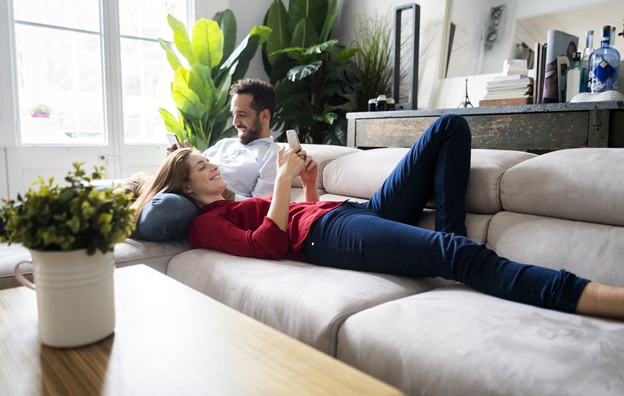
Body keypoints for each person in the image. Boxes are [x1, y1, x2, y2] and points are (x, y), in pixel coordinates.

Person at [137, 114, 624, 320]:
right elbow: (268, 245)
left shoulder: (229, 201)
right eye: (203, 166)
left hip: (344, 213)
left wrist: (307, 182)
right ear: (184, 187)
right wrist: (283, 183)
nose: (213, 165)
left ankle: (450, 249)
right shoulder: (203, 224)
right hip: (330, 237)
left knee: (449, 128)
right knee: (458, 255)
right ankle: (598, 297)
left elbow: (297, 213)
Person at [131, 78, 280, 241]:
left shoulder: (273, 155)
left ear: (264, 115)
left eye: (242, 115)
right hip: (178, 190)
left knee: (169, 208)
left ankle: (124, 221)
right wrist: (178, 162)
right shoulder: (224, 144)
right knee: (113, 191)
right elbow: (193, 171)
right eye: (234, 115)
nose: (236, 122)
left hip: (201, 207)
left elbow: (263, 207)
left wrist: (224, 193)